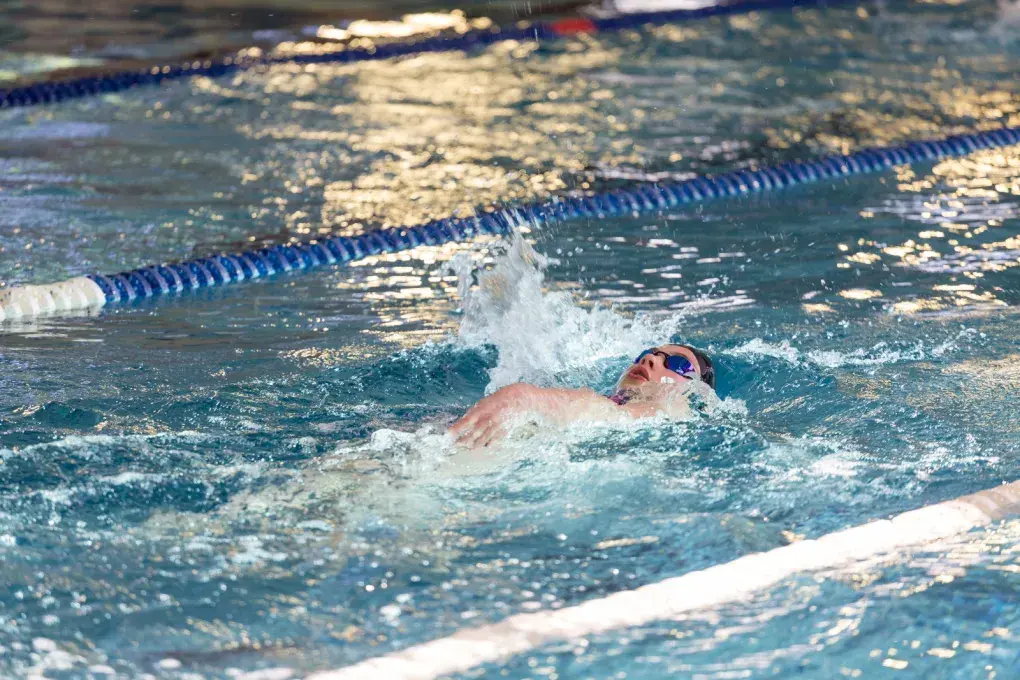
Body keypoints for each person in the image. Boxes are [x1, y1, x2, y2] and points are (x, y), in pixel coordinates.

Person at [450, 344, 716, 448]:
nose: (649, 358)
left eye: (678, 364)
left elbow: (611, 416)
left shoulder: (676, 407)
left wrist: (526, 397)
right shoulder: (614, 400)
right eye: (649, 352)